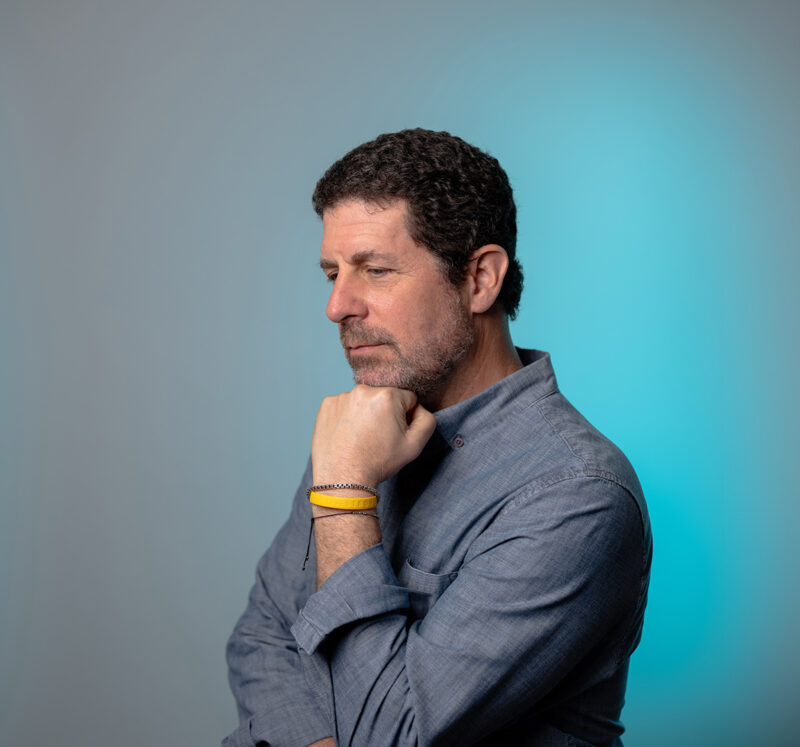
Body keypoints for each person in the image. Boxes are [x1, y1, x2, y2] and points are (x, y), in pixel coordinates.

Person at [222, 129, 652, 747]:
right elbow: (263, 632)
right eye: (332, 274)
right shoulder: (363, 432)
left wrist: (344, 496)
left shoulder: (580, 497)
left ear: (480, 280)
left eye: (375, 270)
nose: (338, 305)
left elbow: (392, 737)